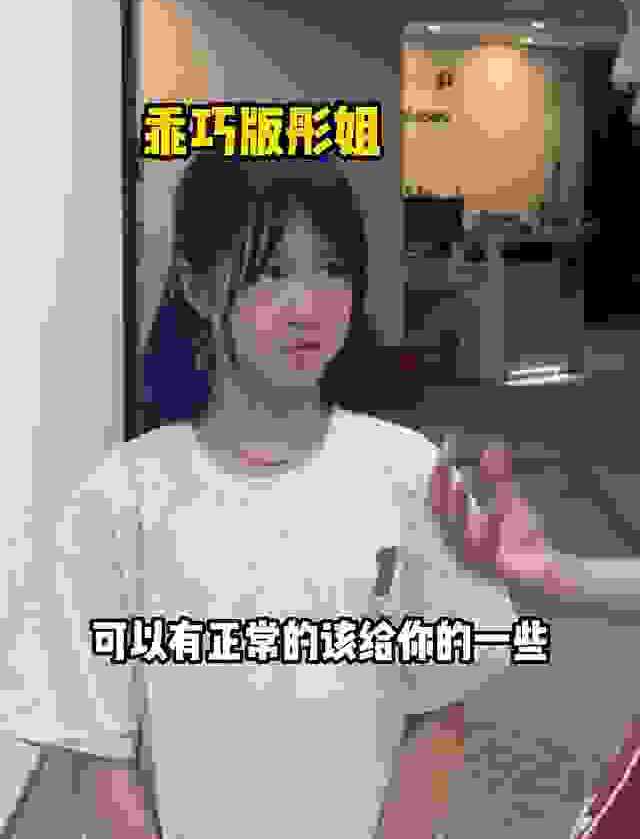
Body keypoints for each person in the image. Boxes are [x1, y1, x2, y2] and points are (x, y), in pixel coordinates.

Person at [2, 148, 518, 839]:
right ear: (197, 285)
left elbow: (445, 700)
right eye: (273, 272)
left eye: (332, 268)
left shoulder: (408, 472)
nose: (309, 306)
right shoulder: (120, 500)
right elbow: (94, 747)